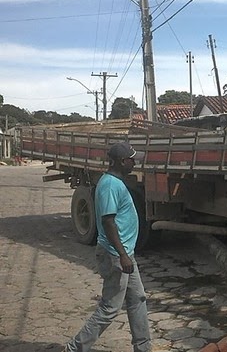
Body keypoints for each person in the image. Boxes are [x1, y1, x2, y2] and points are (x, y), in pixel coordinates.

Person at [63, 142, 151, 352]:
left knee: (138, 299)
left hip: (124, 253)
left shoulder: (116, 182)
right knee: (110, 307)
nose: (134, 162)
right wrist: (122, 255)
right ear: (122, 162)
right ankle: (74, 349)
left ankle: (143, 347)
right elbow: (108, 221)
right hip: (116, 255)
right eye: (132, 159)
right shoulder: (111, 185)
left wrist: (126, 253)